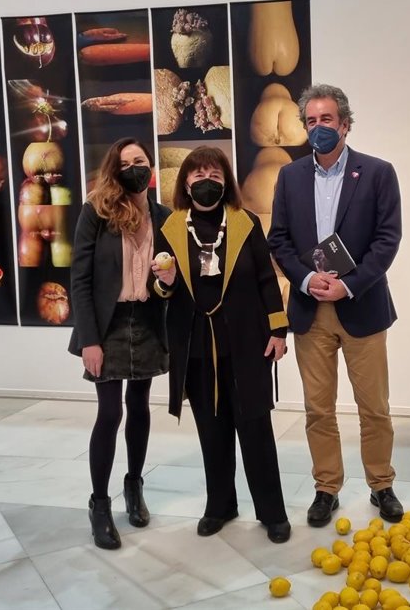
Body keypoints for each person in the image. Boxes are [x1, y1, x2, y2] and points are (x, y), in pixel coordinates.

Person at [267, 84, 404, 527]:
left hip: (361, 306)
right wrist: (307, 279)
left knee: (374, 407)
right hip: (310, 311)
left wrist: (349, 285)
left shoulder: (377, 172)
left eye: (326, 119)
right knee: (318, 409)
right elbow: (279, 240)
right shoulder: (290, 176)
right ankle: (326, 488)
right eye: (311, 121)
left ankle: (381, 484)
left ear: (345, 124)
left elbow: (387, 239)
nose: (318, 128)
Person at [150, 146, 292, 543]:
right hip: (195, 345)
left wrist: (278, 331)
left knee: (255, 429)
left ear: (225, 181)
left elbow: (266, 278)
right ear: (185, 183)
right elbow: (160, 288)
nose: (206, 181)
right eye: (198, 175)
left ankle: (272, 512)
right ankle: (220, 505)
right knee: (211, 432)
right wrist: (165, 281)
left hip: (247, 342)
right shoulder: (171, 227)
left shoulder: (245, 222)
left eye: (214, 175)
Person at [68, 137, 170, 550]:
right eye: (125, 164)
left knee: (140, 407)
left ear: (151, 168)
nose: (133, 169)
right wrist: (89, 340)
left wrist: (167, 282)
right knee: (109, 413)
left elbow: (167, 287)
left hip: (146, 322)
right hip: (107, 325)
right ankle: (99, 504)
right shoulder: (96, 211)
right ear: (115, 170)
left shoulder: (164, 217)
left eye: (139, 161)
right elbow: (80, 279)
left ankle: (134, 486)